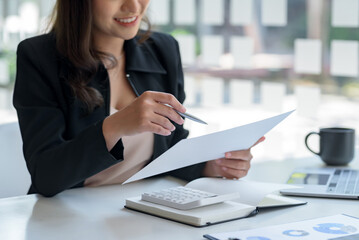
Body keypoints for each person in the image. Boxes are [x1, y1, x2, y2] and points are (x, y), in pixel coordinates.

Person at [13, 0, 264, 197]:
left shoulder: (163, 49)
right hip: (67, 217)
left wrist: (210, 165)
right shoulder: (38, 56)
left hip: (146, 209)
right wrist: (115, 126)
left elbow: (169, 147)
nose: (133, 7)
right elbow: (45, 175)